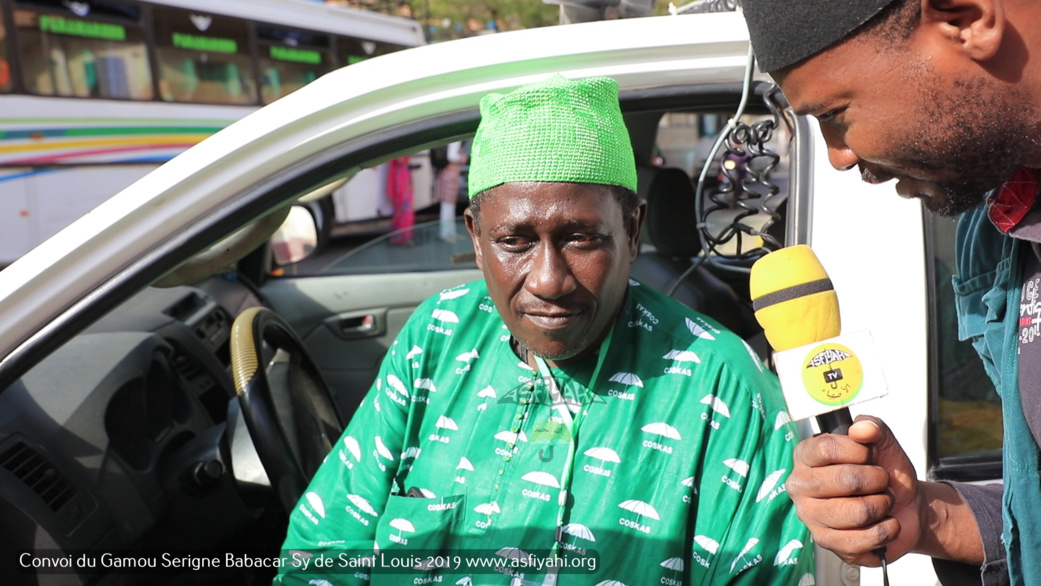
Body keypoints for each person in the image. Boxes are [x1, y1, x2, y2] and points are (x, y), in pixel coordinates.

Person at [275, 74, 812, 585]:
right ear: (477, 239)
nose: (549, 281)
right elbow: (324, 550)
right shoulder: (437, 337)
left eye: (581, 238)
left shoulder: (720, 382)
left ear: (631, 229)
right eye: (515, 241)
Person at [738, 0, 1041, 584]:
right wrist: (924, 516)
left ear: (966, 18)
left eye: (834, 113)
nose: (839, 158)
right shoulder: (996, 230)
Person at [433, 141, 467, 242]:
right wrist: (463, 158)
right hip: (450, 174)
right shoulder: (456, 140)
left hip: (447, 173)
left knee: (448, 205)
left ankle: (450, 232)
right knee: (448, 205)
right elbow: (452, 156)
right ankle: (446, 233)